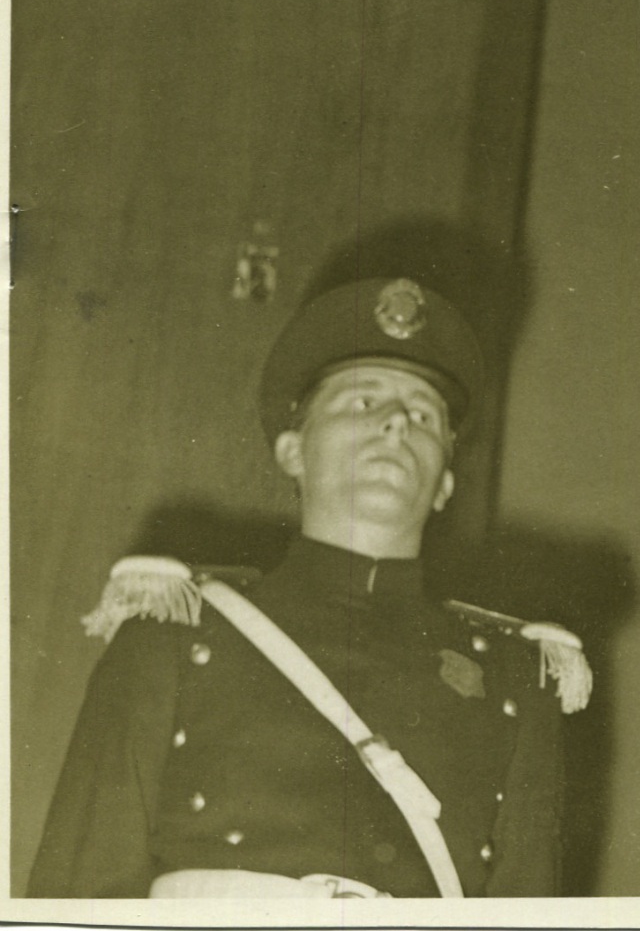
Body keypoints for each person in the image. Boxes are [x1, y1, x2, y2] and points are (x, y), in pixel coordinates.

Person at [29, 277, 588, 899]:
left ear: (446, 484)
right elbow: (78, 889)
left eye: (424, 415)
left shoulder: (518, 680)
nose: (396, 424)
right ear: (293, 452)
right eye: (363, 402)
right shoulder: (174, 632)